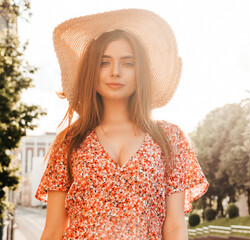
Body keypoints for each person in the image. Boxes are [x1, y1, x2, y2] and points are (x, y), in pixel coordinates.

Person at [35, 9, 209, 240]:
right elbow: (54, 229)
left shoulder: (169, 138)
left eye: (128, 63)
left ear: (141, 73)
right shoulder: (68, 141)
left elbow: (175, 226)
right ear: (91, 71)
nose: (115, 72)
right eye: (104, 62)